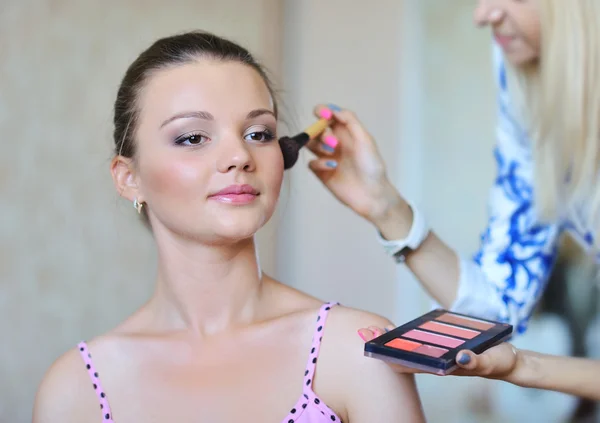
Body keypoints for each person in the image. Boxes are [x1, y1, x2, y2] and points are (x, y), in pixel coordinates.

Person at [31, 31, 425, 423]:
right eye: (192, 137)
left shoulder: (358, 349)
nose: (239, 155)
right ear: (128, 178)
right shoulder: (75, 388)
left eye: (258, 134)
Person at [304, 0, 600, 400]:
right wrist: (385, 207)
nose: (482, 15)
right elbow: (499, 303)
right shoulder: (526, 84)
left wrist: (523, 366)